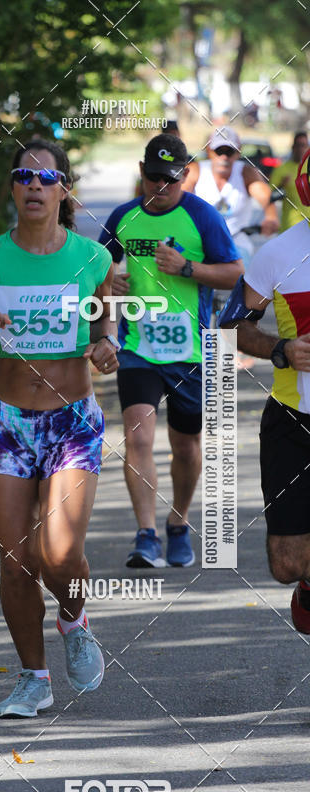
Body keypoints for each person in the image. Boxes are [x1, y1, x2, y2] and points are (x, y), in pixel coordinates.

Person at [0, 139, 118, 717]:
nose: (34, 187)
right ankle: (34, 679)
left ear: (63, 190)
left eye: (46, 179)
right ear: (12, 188)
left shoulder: (93, 259)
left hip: (72, 422)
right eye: (22, 177)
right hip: (8, 423)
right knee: (15, 559)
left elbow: (105, 320)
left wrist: (107, 343)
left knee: (59, 554)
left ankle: (74, 618)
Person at [98, 134, 243, 568]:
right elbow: (97, 272)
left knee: (186, 445)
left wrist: (188, 269)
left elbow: (236, 274)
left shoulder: (202, 217)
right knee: (138, 437)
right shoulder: (123, 217)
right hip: (137, 347)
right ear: (142, 173)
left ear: (185, 176)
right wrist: (112, 285)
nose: (161, 188)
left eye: (171, 180)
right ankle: (145, 535)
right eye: (154, 178)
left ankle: (178, 522)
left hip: (192, 352)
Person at [218, 147, 310, 632]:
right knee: (288, 564)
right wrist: (282, 349)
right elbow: (231, 325)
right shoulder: (279, 254)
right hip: (293, 420)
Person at [182, 126, 279, 268]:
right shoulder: (195, 170)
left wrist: (271, 217)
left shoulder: (247, 173)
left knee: (242, 276)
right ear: (209, 151)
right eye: (219, 151)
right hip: (201, 240)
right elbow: (179, 198)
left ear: (238, 152)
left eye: (229, 152)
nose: (224, 157)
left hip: (237, 240)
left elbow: (265, 197)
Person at [273, 131, 309, 232]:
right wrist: (281, 186)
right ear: (293, 147)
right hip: (290, 227)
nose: (301, 149)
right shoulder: (281, 169)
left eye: (304, 145)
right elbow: (269, 197)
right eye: (298, 145)